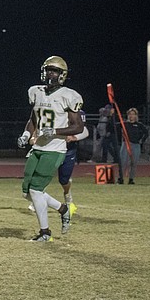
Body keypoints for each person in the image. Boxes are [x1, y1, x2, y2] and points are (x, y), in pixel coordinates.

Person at [17, 56, 84, 242]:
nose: (50, 74)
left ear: (62, 74)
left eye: (54, 71)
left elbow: (78, 127)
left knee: (36, 190)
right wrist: (26, 134)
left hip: (55, 149)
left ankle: (45, 233)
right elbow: (33, 119)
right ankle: (63, 209)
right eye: (48, 70)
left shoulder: (69, 95)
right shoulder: (36, 91)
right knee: (26, 192)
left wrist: (55, 131)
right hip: (38, 146)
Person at [28, 109, 88, 213]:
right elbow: (40, 126)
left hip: (68, 151)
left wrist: (74, 137)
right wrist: (34, 137)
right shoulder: (55, 112)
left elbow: (85, 130)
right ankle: (36, 201)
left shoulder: (75, 112)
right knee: (44, 174)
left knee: (64, 180)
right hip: (52, 150)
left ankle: (67, 194)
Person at [118, 108, 150, 184]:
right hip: (126, 144)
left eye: (133, 114)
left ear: (136, 116)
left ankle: (131, 179)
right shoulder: (124, 124)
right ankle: (121, 179)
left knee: (134, 163)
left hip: (136, 145)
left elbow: (146, 133)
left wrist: (141, 140)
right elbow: (112, 126)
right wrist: (111, 115)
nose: (131, 116)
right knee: (123, 162)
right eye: (130, 114)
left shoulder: (139, 125)